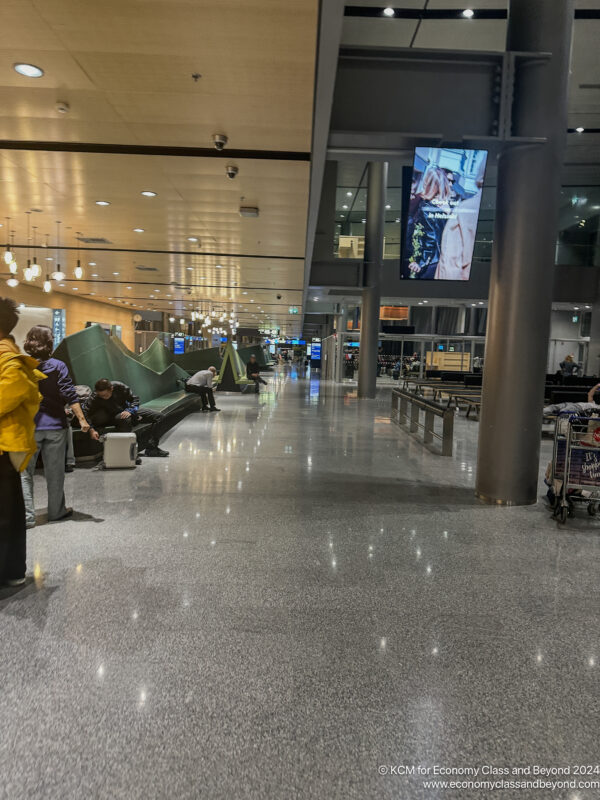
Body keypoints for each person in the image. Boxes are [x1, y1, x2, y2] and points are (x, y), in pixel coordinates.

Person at [21, 326, 93, 529]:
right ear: (50, 343)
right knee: (55, 472)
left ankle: (27, 517)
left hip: (28, 428)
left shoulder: (22, 365)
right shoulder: (58, 366)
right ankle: (56, 512)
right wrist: (82, 420)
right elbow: (70, 394)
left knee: (24, 474)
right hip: (55, 426)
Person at [0, 299, 44, 586]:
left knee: (6, 513)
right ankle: (12, 570)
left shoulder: (8, 359)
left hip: (3, 446)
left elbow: (8, 395)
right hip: (8, 445)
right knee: (10, 510)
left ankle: (9, 570)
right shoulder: (10, 354)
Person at [85, 379, 170, 454]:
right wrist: (91, 429)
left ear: (111, 389)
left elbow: (135, 399)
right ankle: (130, 453)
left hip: (128, 411)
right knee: (124, 419)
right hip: (113, 417)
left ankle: (152, 448)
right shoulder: (95, 396)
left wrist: (130, 410)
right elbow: (84, 412)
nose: (103, 398)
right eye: (101, 396)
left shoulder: (120, 387)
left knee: (160, 417)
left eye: (105, 395)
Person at [434, 159, 485, 281]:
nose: (451, 185)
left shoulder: (462, 207)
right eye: (449, 181)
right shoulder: (426, 205)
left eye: (452, 181)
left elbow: (450, 264)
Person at [406, 166, 452, 280]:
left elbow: (430, 238)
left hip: (427, 263)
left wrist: (420, 262)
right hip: (441, 261)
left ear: (428, 183)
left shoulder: (427, 208)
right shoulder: (447, 208)